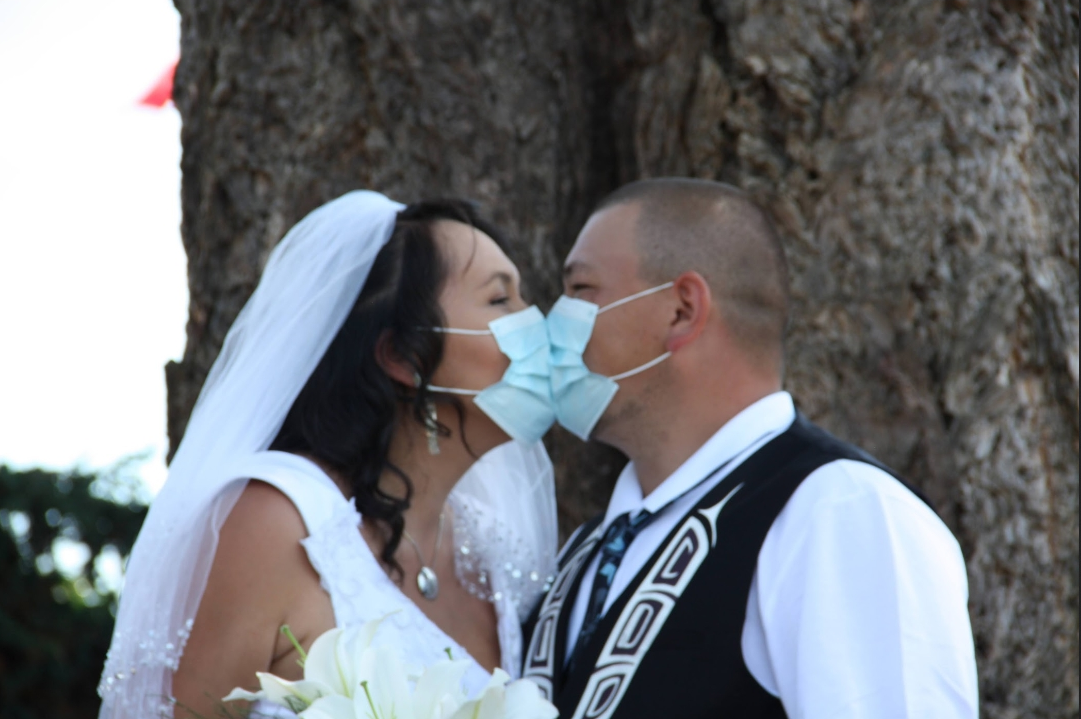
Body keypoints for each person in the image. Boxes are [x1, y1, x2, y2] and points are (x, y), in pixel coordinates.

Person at [522, 178, 979, 718]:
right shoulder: (583, 553)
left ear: (682, 310)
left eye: (581, 291)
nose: (555, 322)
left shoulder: (838, 513)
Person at [98, 191, 559, 719]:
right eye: (501, 302)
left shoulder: (491, 554)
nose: (538, 324)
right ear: (404, 357)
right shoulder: (276, 525)